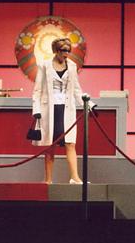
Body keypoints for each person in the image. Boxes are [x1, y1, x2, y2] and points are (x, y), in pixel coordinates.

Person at [32, 38, 95, 184]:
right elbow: (37, 90)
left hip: (67, 109)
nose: (66, 54)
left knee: (70, 143)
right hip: (50, 109)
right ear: (56, 51)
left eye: (68, 51)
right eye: (63, 51)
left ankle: (75, 177)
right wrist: (36, 110)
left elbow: (76, 89)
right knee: (50, 144)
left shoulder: (72, 66)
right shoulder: (44, 65)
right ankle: (48, 180)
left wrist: (88, 105)